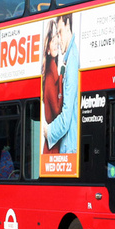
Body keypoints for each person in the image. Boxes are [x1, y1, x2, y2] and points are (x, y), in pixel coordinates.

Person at [44, 13, 79, 154]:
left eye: (59, 33)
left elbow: (66, 117)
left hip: (68, 148)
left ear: (68, 25)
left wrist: (48, 131)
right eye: (55, 36)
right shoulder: (68, 59)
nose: (59, 40)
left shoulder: (71, 61)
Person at [42, 18, 63, 154]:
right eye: (52, 39)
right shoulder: (50, 75)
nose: (56, 43)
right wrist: (62, 79)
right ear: (48, 48)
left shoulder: (54, 69)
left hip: (55, 143)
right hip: (52, 148)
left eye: (57, 37)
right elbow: (56, 109)